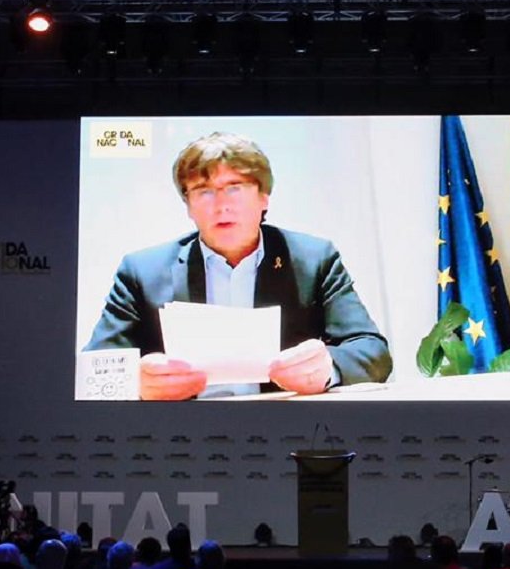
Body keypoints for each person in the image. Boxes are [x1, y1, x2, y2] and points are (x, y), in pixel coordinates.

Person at [83, 131, 392, 400]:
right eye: (204, 191)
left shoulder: (313, 259)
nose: (222, 205)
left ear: (264, 197)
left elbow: (372, 352)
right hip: (181, 433)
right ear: (188, 206)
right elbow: (94, 370)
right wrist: (136, 383)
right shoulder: (142, 271)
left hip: (285, 429)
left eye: (235, 187)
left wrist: (328, 368)